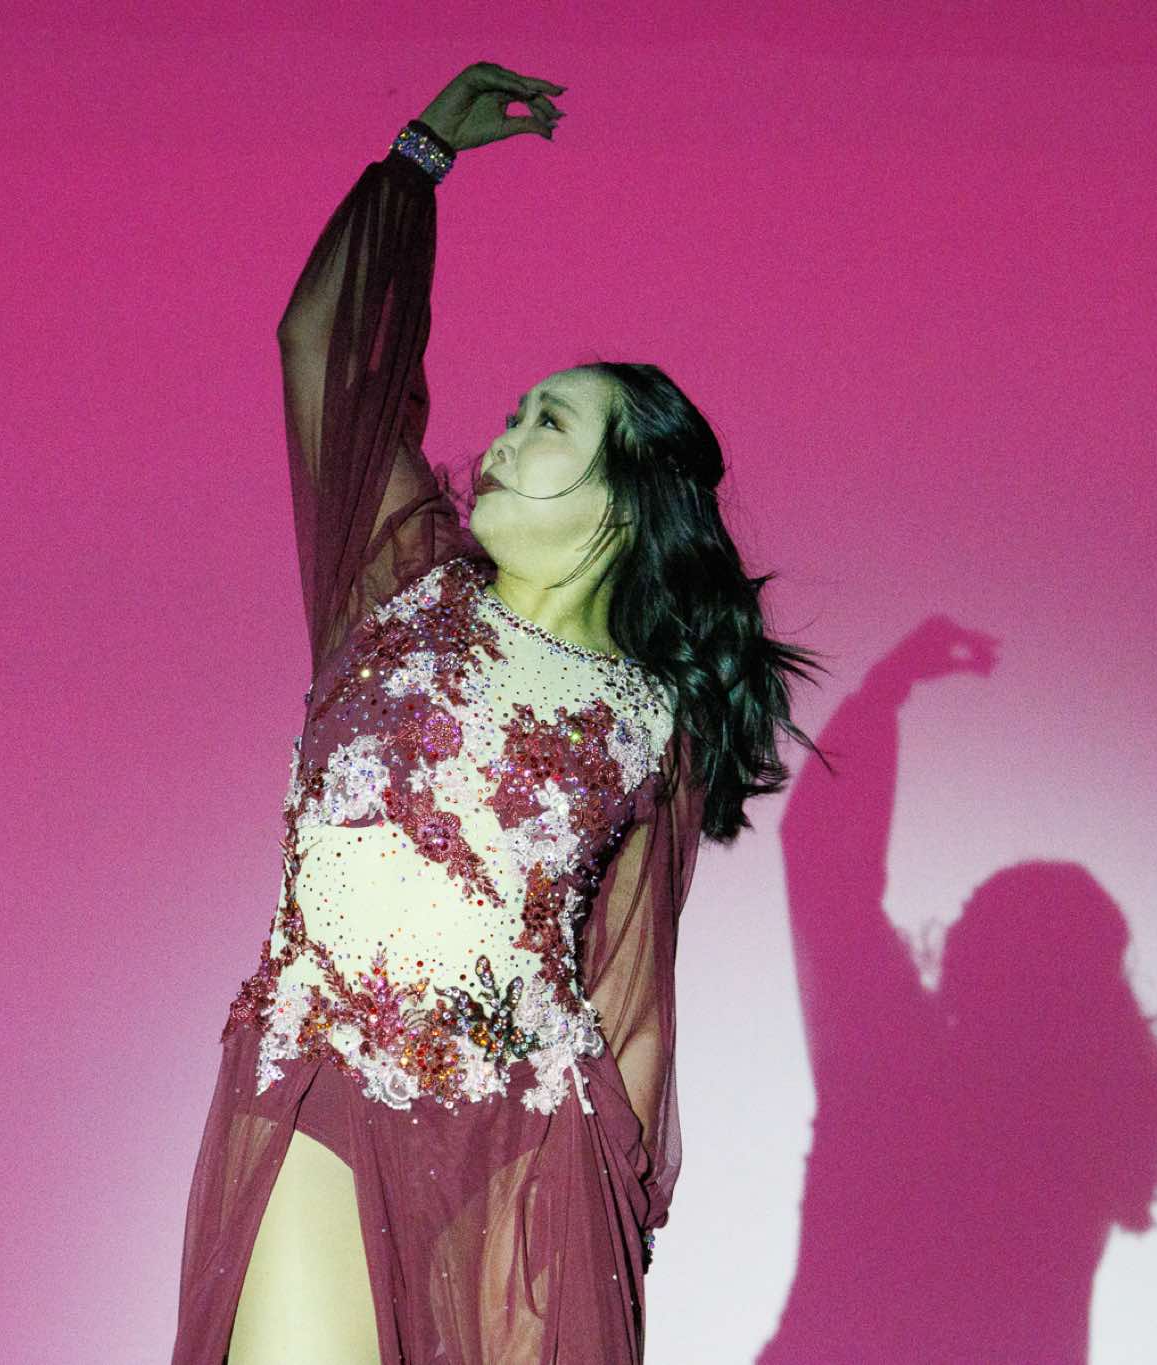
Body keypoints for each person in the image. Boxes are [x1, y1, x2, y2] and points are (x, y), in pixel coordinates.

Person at [170, 61, 822, 1365]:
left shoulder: (649, 723)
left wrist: (609, 1237)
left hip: (521, 1137)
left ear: (624, 497)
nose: (508, 435)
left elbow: (631, 996)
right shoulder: (397, 581)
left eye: (550, 422)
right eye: (516, 413)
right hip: (322, 1072)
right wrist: (419, 158)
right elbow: (319, 348)